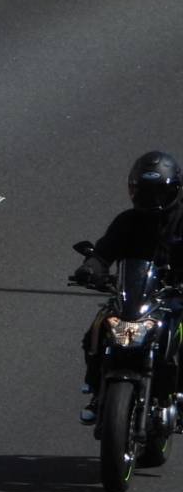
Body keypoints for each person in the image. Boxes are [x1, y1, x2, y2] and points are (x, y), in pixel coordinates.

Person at [71, 151, 183, 422]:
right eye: (144, 192)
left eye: (157, 193)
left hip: (173, 296)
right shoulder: (127, 221)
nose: (150, 199)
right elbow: (104, 252)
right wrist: (90, 269)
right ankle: (96, 391)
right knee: (98, 329)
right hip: (135, 296)